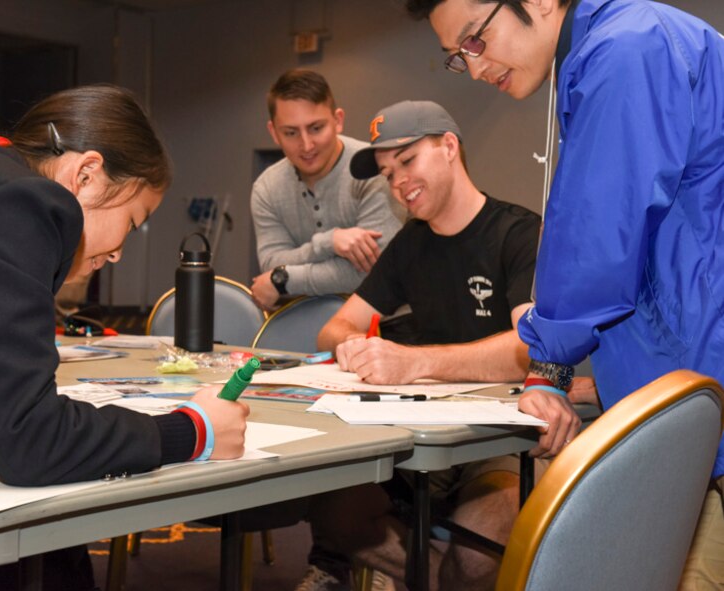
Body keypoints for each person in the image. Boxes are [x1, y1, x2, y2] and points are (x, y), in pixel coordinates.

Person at [0, 84, 249, 589]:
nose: (118, 252)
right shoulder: (20, 203)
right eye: (132, 221)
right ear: (86, 175)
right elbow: (26, 439)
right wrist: (192, 431)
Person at [407, 0, 724, 586]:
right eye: (459, 57)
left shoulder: (628, 49)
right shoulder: (615, 43)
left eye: (475, 40)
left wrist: (547, 363)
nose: (475, 69)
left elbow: (598, 230)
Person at [309, 100, 543, 591]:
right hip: (417, 436)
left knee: (479, 559)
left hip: (495, 439)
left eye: (408, 161)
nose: (398, 183)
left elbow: (528, 350)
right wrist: (355, 346)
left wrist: (412, 363)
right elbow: (334, 328)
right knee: (332, 512)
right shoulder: (410, 245)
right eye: (387, 173)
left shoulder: (519, 233)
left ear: (450, 147)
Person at [250, 69, 404, 311]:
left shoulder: (374, 169)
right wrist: (328, 242)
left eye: (315, 128)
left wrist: (284, 280)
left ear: (338, 120)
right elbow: (271, 263)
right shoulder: (266, 188)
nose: (306, 145)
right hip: (302, 322)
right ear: (274, 133)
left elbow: (372, 272)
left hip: (387, 325)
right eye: (291, 133)